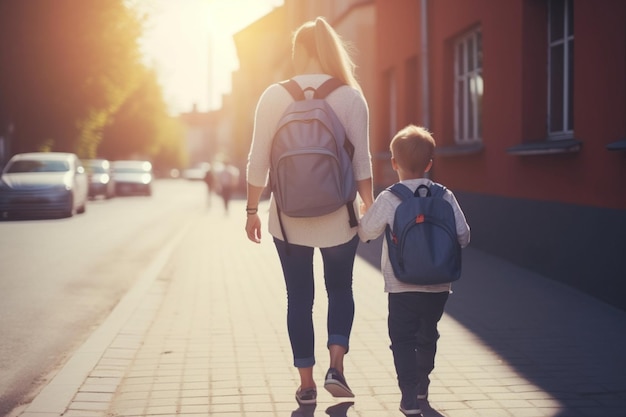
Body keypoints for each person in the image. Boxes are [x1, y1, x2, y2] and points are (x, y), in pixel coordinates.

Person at [245, 16, 374, 406]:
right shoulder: (350, 97)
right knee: (340, 290)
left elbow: (257, 162)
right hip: (340, 217)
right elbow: (363, 163)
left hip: (288, 219)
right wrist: (370, 206)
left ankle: (306, 384)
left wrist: (252, 209)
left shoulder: (273, 96)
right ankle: (337, 365)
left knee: (299, 298)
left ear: (301, 52)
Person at [358, 125, 470, 416]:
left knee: (403, 340)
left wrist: (362, 215)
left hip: (401, 285)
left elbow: (366, 233)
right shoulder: (445, 196)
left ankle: (409, 395)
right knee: (428, 334)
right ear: (430, 164)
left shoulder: (389, 198)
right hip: (439, 285)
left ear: (393, 163)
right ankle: (423, 385)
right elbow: (464, 236)